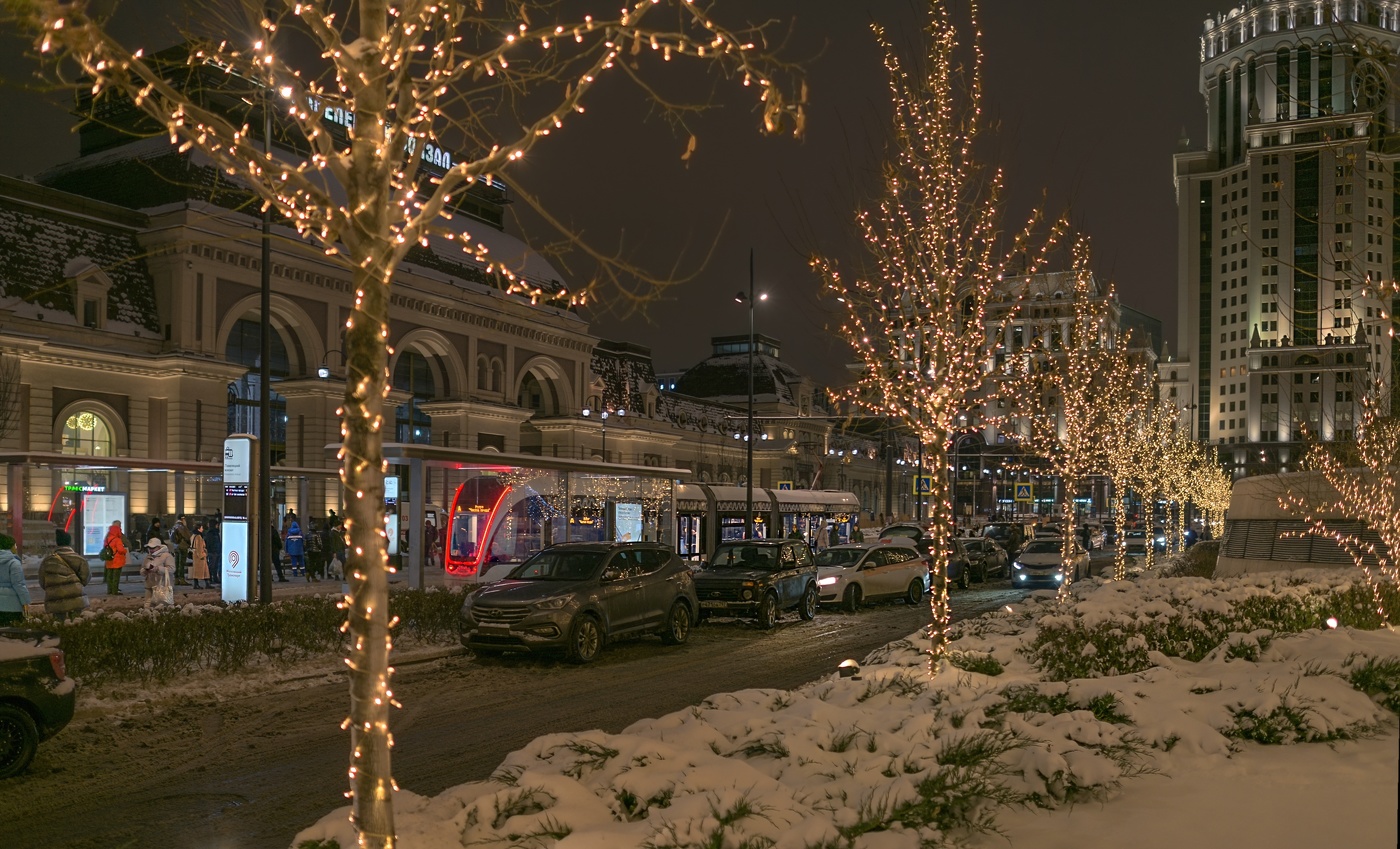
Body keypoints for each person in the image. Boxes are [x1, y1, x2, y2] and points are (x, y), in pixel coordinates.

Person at [39, 530, 90, 622]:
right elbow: (86, 578)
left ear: (57, 543)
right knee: (76, 622)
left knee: (58, 623)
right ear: (69, 543)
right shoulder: (80, 560)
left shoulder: (47, 561)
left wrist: (53, 588)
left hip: (56, 599)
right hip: (76, 597)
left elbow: (43, 582)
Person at [0, 533, 29, 626]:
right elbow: (19, 584)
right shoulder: (13, 563)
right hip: (11, 606)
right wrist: (25, 602)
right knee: (12, 636)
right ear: (9, 547)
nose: (16, 547)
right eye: (15, 545)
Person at [141, 537, 175, 606]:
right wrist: (144, 571)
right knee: (147, 606)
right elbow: (142, 569)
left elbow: (172, 569)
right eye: (149, 548)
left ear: (159, 547)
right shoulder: (148, 556)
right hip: (149, 586)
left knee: (161, 606)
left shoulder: (167, 556)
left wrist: (158, 569)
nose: (151, 550)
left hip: (162, 586)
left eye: (153, 548)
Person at [102, 519, 129, 596]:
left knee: (109, 576)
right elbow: (120, 550)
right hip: (117, 561)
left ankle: (109, 590)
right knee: (116, 577)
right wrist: (125, 551)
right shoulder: (117, 540)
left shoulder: (107, 539)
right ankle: (115, 591)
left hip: (109, 560)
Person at [169, 515, 192, 585]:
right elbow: (188, 536)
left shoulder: (174, 526)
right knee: (182, 563)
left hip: (176, 546)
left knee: (177, 563)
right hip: (182, 546)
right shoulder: (182, 526)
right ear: (182, 519)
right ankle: (182, 579)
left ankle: (176, 579)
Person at [189, 522, 210, 589]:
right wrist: (203, 554)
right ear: (199, 529)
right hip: (199, 555)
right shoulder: (198, 537)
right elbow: (199, 547)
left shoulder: (193, 536)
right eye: (201, 527)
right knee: (200, 571)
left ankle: (205, 584)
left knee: (200, 570)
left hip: (195, 554)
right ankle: (199, 584)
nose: (202, 529)